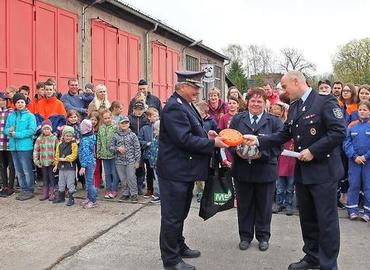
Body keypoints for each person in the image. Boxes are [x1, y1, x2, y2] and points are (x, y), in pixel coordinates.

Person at [244, 71, 346, 270]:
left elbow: (339, 131)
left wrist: (313, 151)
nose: (282, 91)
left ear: (296, 81)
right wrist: (258, 139)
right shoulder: (295, 106)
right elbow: (284, 134)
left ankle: (328, 264)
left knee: (326, 222)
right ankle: (312, 256)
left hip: (323, 172)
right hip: (303, 173)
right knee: (307, 219)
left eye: (284, 86)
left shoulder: (324, 101)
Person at [157, 70, 227, 270]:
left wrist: (208, 134)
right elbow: (183, 139)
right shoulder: (174, 108)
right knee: (172, 217)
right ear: (181, 87)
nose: (198, 91)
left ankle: (178, 246)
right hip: (174, 172)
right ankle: (171, 260)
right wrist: (212, 143)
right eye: (194, 87)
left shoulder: (184, 104)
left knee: (181, 213)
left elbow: (192, 130)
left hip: (183, 171)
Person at [229, 88, 283, 252]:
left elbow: (279, 145)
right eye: (253, 100)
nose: (256, 104)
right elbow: (229, 140)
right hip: (242, 169)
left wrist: (263, 154)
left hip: (265, 170)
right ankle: (245, 236)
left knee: (264, 206)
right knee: (244, 206)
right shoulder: (238, 119)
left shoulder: (274, 121)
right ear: (247, 102)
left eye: (259, 101)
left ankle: (263, 236)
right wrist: (237, 153)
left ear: (265, 103)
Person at [4, 93, 37, 201]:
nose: (20, 104)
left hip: (25, 147)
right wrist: (8, 131)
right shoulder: (11, 115)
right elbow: (5, 129)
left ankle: (30, 190)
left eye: (22, 102)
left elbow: (32, 130)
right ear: (14, 104)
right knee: (19, 170)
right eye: (18, 102)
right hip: (13, 147)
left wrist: (17, 134)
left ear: (25, 103)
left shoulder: (30, 116)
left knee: (27, 169)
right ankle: (23, 189)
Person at [343, 101, 370, 222]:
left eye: (365, 109)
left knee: (368, 186)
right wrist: (354, 156)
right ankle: (352, 210)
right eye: (360, 109)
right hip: (354, 161)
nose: (362, 111)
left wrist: (365, 156)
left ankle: (367, 212)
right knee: (354, 185)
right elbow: (346, 143)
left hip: (368, 162)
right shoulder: (352, 126)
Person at [111, 116, 141, 203]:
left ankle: (134, 193)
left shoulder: (132, 135)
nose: (124, 124)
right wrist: (117, 148)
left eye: (126, 123)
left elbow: (137, 148)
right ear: (119, 124)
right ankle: (125, 193)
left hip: (130, 160)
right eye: (122, 123)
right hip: (119, 161)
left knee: (131, 177)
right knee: (123, 178)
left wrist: (137, 160)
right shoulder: (115, 135)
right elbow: (111, 147)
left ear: (129, 124)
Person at [33, 120, 58, 201]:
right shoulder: (39, 139)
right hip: (43, 162)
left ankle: (52, 193)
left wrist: (56, 161)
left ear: (51, 129)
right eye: (44, 129)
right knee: (45, 178)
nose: (46, 130)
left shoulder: (54, 138)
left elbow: (58, 150)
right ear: (42, 130)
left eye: (48, 129)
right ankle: (45, 193)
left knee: (52, 178)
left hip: (51, 162)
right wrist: (36, 161)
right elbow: (36, 150)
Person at [53, 126, 78, 206]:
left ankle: (71, 198)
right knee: (61, 182)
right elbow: (57, 155)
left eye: (70, 136)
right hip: (61, 167)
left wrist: (66, 159)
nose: (68, 137)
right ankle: (61, 197)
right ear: (63, 136)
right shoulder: (59, 144)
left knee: (70, 183)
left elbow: (74, 155)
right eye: (67, 136)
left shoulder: (74, 144)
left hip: (70, 167)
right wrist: (56, 165)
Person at [97, 110, 119, 199]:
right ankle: (108, 189)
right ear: (102, 119)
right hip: (104, 154)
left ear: (111, 117)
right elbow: (99, 141)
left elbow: (118, 139)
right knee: (107, 173)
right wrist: (98, 151)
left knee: (114, 173)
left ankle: (114, 189)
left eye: (108, 118)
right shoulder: (101, 128)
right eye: (105, 118)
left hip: (113, 154)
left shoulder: (115, 127)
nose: (107, 120)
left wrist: (117, 149)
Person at [138, 107, 159, 198]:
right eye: (154, 116)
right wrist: (146, 143)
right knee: (149, 173)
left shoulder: (161, 127)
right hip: (148, 154)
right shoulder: (144, 128)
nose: (157, 117)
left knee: (158, 174)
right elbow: (140, 140)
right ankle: (150, 189)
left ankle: (158, 191)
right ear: (149, 117)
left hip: (158, 155)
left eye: (157, 115)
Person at [79, 119, 97, 209]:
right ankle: (89, 198)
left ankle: (92, 200)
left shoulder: (86, 139)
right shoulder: (91, 136)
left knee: (90, 182)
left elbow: (86, 153)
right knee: (88, 181)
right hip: (90, 162)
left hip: (88, 163)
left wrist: (83, 166)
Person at [0, 92, 15, 197]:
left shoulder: (11, 112)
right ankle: (4, 186)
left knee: (11, 165)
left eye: (4, 100)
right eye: (0, 100)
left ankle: (10, 187)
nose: (2, 102)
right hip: (0, 144)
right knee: (2, 166)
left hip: (10, 143)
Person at [149, 119, 160, 203]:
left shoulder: (163, 140)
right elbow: (152, 151)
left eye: (156, 129)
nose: (154, 131)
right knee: (156, 179)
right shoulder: (155, 139)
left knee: (159, 180)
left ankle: (159, 195)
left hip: (161, 164)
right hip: (154, 163)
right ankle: (157, 193)